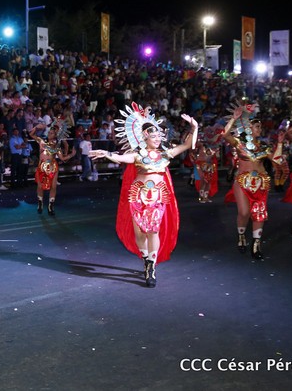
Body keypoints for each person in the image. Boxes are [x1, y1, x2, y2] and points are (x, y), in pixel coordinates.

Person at [90, 103, 197, 288]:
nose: (157, 138)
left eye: (159, 136)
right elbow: (121, 158)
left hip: (158, 196)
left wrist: (194, 127)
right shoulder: (138, 155)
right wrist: (106, 153)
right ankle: (146, 258)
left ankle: (151, 266)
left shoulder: (166, 154)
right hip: (138, 195)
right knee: (140, 231)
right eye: (153, 136)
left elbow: (188, 145)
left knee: (153, 230)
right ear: (145, 137)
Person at [222, 103, 284, 259]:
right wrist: (234, 119)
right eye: (257, 126)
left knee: (259, 213)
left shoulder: (264, 146)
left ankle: (256, 244)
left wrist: (280, 143)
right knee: (244, 212)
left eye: (260, 127)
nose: (260, 129)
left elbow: (277, 160)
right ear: (249, 128)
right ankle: (241, 235)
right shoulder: (239, 143)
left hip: (261, 183)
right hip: (242, 181)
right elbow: (225, 135)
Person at [32, 119, 74, 216]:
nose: (49, 134)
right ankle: (40, 203)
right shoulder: (42, 142)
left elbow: (63, 158)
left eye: (51, 133)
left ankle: (51, 206)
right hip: (42, 166)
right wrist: (36, 127)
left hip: (52, 167)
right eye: (49, 133)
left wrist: (71, 154)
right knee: (40, 186)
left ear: (55, 135)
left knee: (53, 187)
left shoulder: (56, 147)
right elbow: (31, 134)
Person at [189, 126, 222, 203]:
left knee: (208, 181)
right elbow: (193, 147)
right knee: (203, 180)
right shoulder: (201, 144)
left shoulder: (215, 146)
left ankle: (206, 196)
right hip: (200, 163)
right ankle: (201, 197)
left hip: (209, 164)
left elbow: (217, 157)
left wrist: (216, 153)